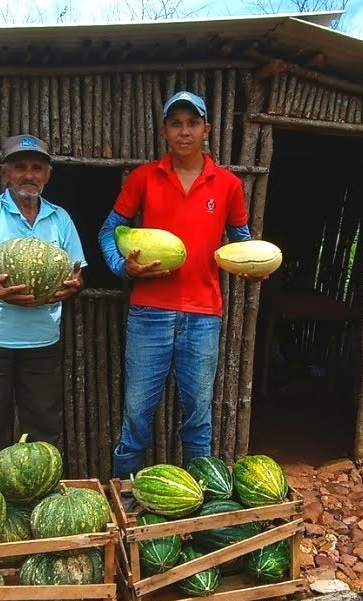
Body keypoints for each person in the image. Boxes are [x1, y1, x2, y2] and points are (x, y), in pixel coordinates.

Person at [98, 90, 259, 479]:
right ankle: (126, 497)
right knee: (137, 413)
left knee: (199, 416)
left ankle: (199, 501)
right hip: (149, 312)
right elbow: (109, 230)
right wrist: (123, 267)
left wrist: (253, 263)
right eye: (176, 123)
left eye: (192, 123)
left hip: (204, 314)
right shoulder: (143, 178)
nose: (184, 131)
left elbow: (242, 238)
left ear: (206, 129)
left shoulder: (227, 184)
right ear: (165, 130)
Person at [0, 133, 84, 471]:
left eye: (37, 167)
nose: (29, 174)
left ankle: (38, 496)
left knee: (43, 425)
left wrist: (70, 288)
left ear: (47, 174)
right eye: (20, 167)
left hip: (42, 340)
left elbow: (77, 276)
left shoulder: (61, 219)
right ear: (4, 172)